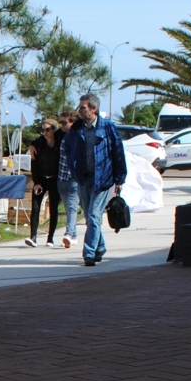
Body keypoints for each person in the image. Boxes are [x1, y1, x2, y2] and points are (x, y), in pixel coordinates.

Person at [56, 93, 128, 266]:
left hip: (102, 179)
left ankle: (88, 253)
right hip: (82, 178)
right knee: (90, 218)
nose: (79, 110)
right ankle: (100, 246)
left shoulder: (108, 128)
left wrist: (119, 178)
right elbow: (66, 147)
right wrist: (73, 167)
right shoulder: (76, 129)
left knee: (95, 215)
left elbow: (118, 153)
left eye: (83, 107)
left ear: (93, 109)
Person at [25, 120, 61, 247]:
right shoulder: (39, 144)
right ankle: (33, 237)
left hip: (55, 180)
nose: (45, 132)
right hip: (41, 179)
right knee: (35, 207)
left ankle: (50, 238)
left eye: (48, 129)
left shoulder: (59, 142)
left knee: (53, 209)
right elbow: (34, 163)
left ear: (54, 130)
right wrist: (36, 182)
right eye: (43, 129)